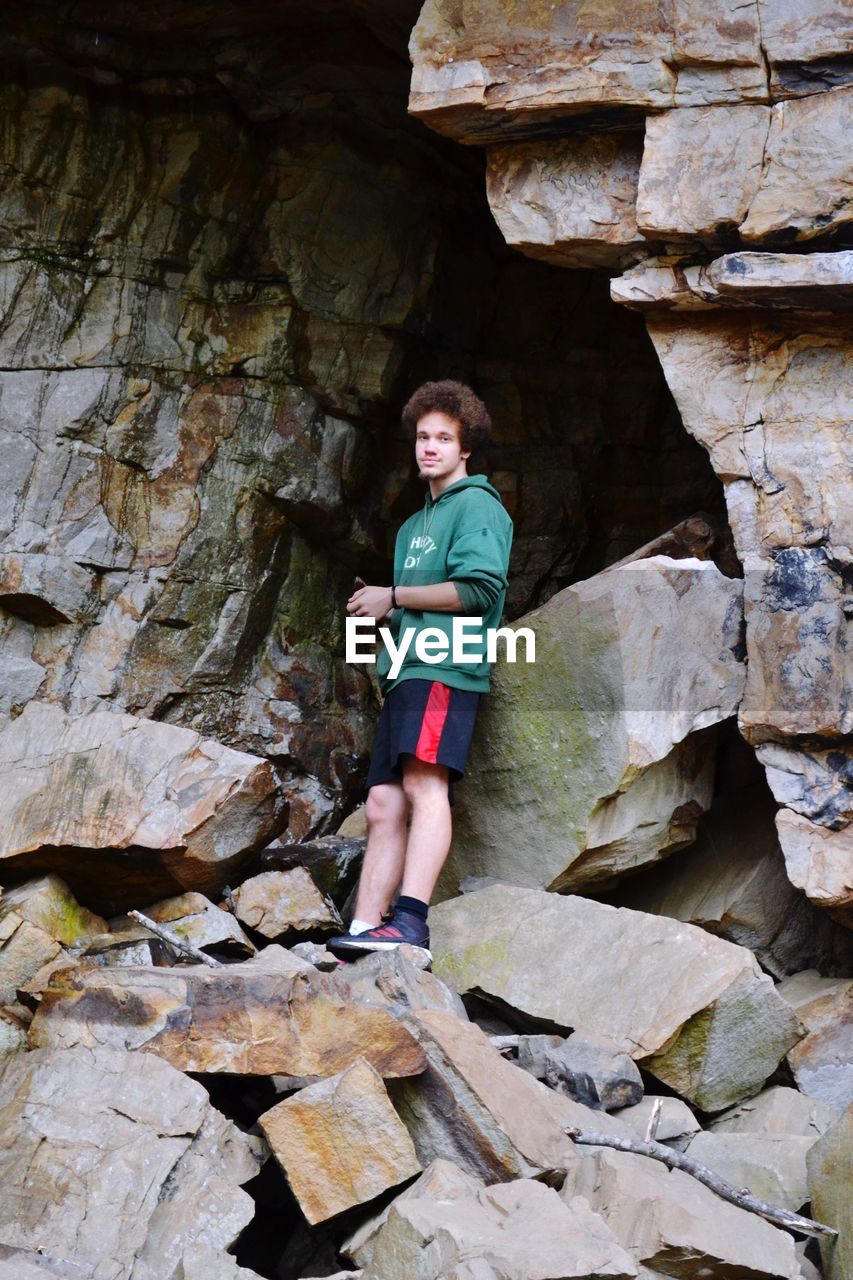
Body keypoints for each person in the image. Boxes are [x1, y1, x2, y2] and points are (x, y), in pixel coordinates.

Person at [329, 380, 513, 962]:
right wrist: (382, 606)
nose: (429, 447)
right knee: (382, 803)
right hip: (408, 672)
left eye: (444, 438)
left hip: (446, 669)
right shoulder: (413, 526)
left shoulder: (478, 505)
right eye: (422, 437)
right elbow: (410, 600)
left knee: (423, 784)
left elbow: (480, 590)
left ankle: (410, 923)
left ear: (466, 449)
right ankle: (363, 932)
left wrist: (396, 595)